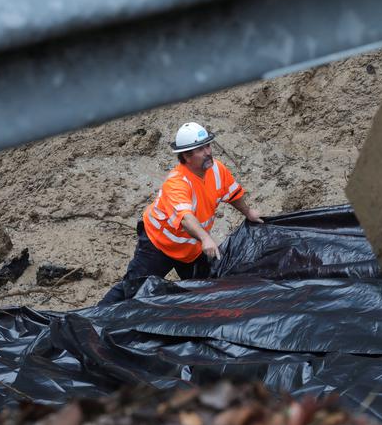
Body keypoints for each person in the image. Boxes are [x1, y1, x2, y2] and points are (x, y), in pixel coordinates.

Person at [99, 122, 263, 304]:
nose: (208, 152)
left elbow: (232, 193)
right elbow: (185, 218)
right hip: (159, 245)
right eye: (201, 149)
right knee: (133, 289)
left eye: (208, 145)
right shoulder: (177, 183)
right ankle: (95, 318)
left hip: (190, 249)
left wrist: (248, 212)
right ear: (186, 155)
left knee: (204, 290)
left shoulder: (217, 169)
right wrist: (205, 238)